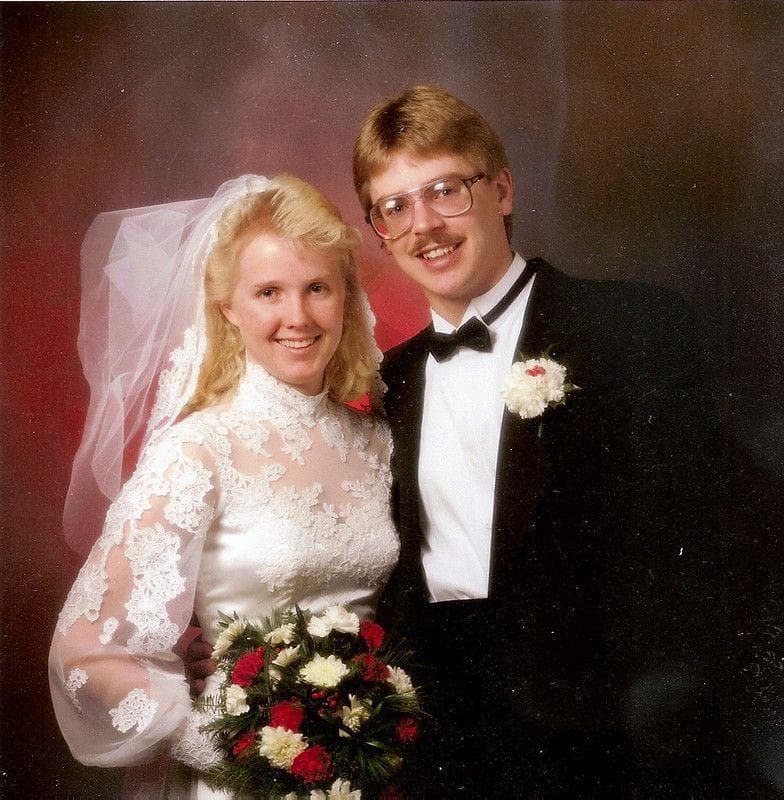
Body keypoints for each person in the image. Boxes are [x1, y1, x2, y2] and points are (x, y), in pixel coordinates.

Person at [351, 85, 730, 797]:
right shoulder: (387, 383)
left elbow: (691, 554)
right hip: (439, 744)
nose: (424, 225)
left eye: (445, 191)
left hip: (605, 743)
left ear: (501, 191)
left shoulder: (632, 327)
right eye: (394, 206)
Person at [49, 174, 400, 799]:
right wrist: (218, 744)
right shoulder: (199, 451)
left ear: (345, 297)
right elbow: (85, 648)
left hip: (362, 771)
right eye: (268, 292)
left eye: (317, 288)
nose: (297, 317)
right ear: (227, 309)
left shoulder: (378, 443)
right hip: (240, 773)